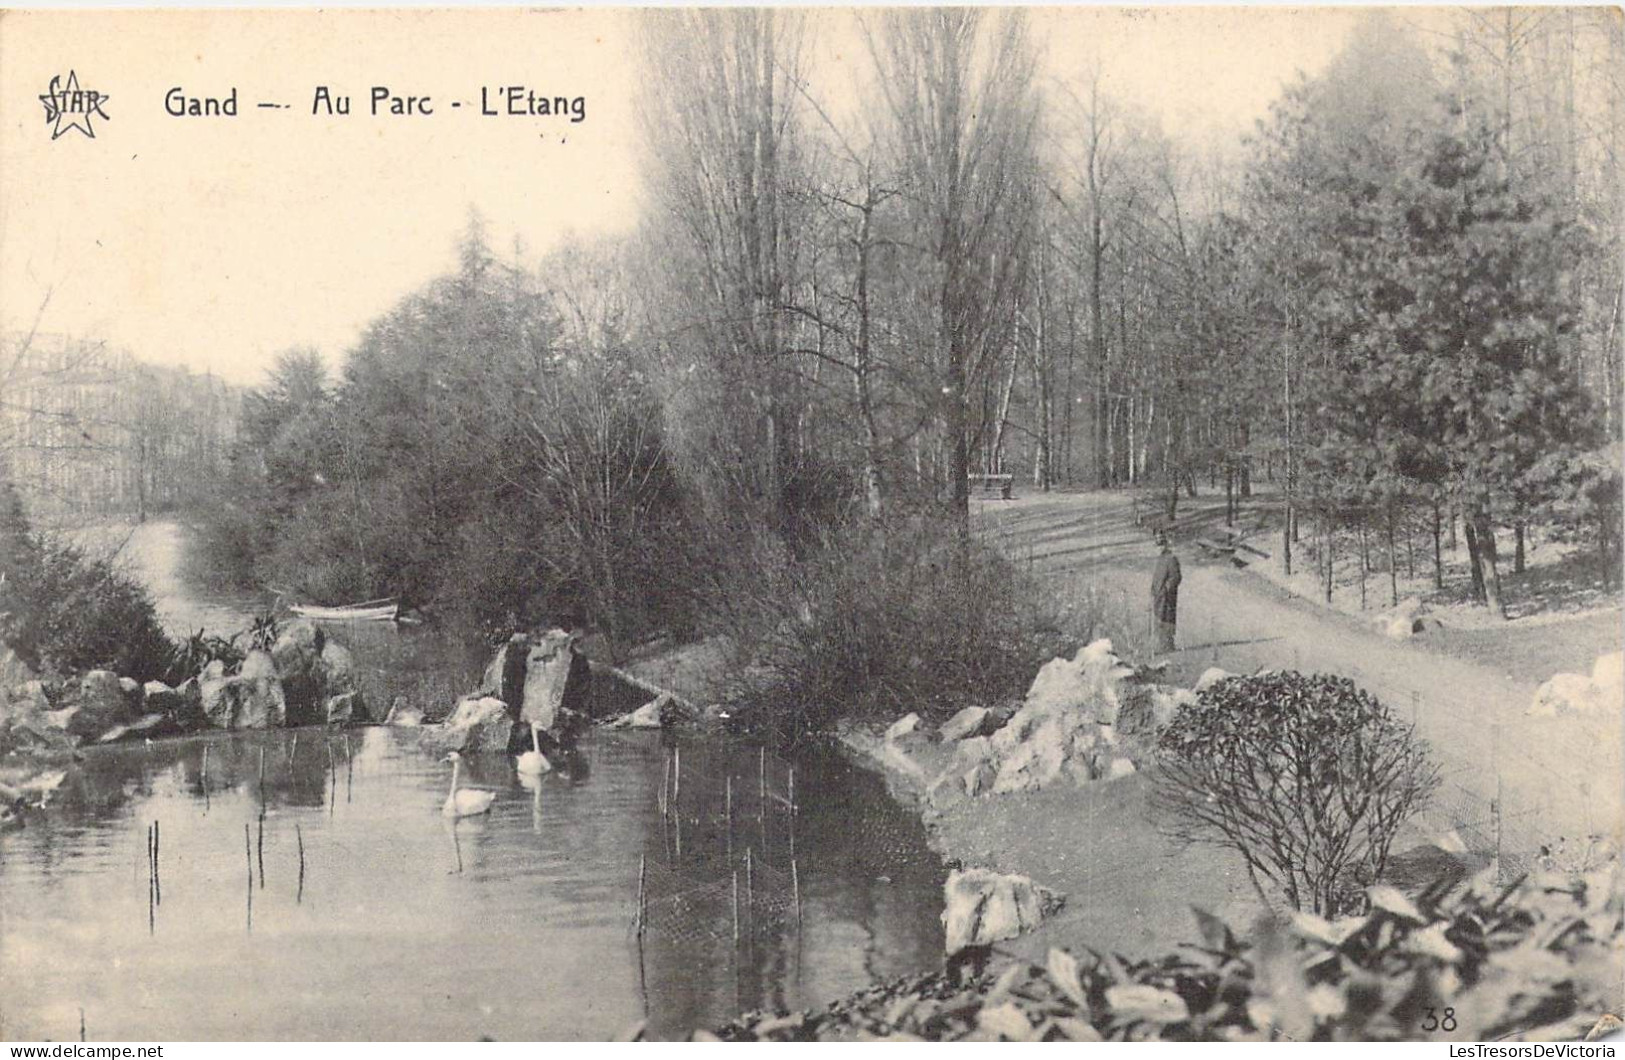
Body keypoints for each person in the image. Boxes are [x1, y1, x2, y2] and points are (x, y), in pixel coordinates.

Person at [1151, 533, 1182, 653]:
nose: (1159, 548)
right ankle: (1161, 645)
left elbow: (1176, 577)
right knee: (1159, 620)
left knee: (1167, 619)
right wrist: (1153, 589)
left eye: (1162, 545)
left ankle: (1168, 645)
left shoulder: (1171, 558)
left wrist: (1166, 589)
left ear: (1166, 545)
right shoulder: (1160, 559)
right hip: (1158, 596)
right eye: (1158, 545)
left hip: (1167, 597)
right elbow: (1157, 577)